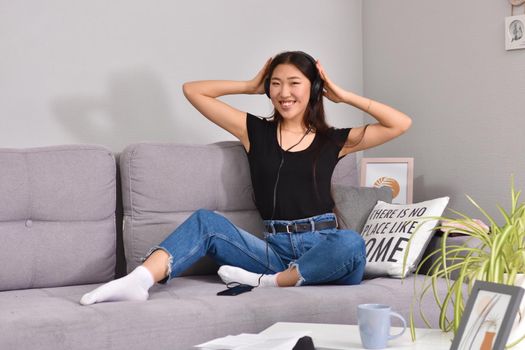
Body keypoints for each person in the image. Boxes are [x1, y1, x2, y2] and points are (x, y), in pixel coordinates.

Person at [80, 51, 412, 305]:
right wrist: (248, 86)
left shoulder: (333, 140)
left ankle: (269, 283)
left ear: (313, 88)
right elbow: (193, 91)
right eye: (276, 83)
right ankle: (139, 281)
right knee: (205, 222)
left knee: (351, 242)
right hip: (273, 250)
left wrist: (342, 95)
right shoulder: (255, 131)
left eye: (294, 83)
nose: (284, 92)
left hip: (325, 249)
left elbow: (399, 123)